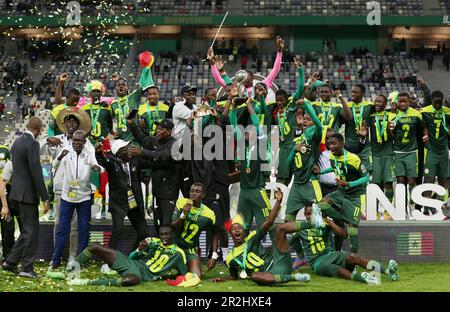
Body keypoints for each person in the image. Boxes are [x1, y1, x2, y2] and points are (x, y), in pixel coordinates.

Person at [211, 188, 312, 285]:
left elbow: (269, 222)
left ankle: (313, 223)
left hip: (280, 262)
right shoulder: (231, 258)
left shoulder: (252, 237)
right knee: (254, 276)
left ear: (243, 230)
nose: (237, 230)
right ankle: (296, 277)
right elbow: (233, 276)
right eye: (234, 229)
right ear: (230, 233)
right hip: (267, 275)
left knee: (279, 229)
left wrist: (278, 202)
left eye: (239, 228)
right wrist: (222, 279)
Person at [297, 203, 399, 284]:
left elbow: (344, 235)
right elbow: (292, 242)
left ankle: (388, 271)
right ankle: (363, 279)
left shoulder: (323, 224)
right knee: (338, 270)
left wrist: (330, 223)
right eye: (308, 214)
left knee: (354, 257)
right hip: (317, 263)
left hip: (331, 254)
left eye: (312, 213)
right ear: (305, 215)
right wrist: (301, 257)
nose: (310, 216)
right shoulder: (300, 227)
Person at [45, 108, 94, 266]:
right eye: (69, 121)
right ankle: (56, 255)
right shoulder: (56, 139)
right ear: (64, 124)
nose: (71, 123)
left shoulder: (86, 142)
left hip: (80, 191)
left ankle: (73, 256)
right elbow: (49, 155)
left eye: (74, 121)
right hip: (61, 188)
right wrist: (47, 140)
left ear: (79, 124)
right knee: (59, 224)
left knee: (75, 227)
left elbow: (92, 159)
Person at [2, 116, 49, 278]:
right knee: (32, 231)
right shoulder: (32, 143)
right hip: (28, 194)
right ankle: (27, 268)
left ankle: (10, 261)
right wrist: (45, 197)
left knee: (27, 230)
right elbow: (36, 172)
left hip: (16, 193)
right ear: (38, 129)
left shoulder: (16, 142)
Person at [67, 225, 188, 287]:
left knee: (131, 280)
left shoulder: (178, 253)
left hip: (139, 274)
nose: (163, 237)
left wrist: (168, 275)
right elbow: (131, 257)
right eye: (161, 234)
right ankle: (69, 273)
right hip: (131, 263)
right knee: (94, 246)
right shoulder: (153, 242)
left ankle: (85, 282)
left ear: (173, 235)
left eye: (166, 234)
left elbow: (183, 274)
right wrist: (138, 249)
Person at [49, 130, 103, 270]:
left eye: (79, 141)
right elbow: (54, 166)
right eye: (74, 140)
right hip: (67, 196)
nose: (76, 143)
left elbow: (100, 168)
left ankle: (80, 261)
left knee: (84, 229)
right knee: (62, 229)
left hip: (84, 197)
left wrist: (98, 168)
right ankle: (56, 260)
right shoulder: (66, 150)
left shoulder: (89, 153)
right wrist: (60, 157)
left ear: (84, 142)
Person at [314, 133, 369, 253]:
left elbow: (366, 178)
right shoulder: (332, 157)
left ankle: (353, 257)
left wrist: (349, 184)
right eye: (329, 144)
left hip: (356, 196)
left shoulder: (353, 159)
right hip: (341, 192)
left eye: (334, 143)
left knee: (352, 229)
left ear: (342, 144)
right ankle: (343, 218)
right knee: (321, 205)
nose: (331, 146)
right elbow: (335, 167)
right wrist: (322, 172)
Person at [95, 139, 151, 255]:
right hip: (118, 203)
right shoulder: (112, 163)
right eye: (126, 149)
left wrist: (146, 175)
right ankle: (107, 262)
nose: (129, 150)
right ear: (119, 153)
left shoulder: (135, 160)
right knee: (118, 230)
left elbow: (150, 164)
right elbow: (103, 161)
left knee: (144, 232)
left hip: (133, 201)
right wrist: (99, 153)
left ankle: (131, 257)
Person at [128, 118, 181, 233]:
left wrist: (143, 152)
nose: (157, 130)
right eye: (157, 128)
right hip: (157, 191)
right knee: (157, 223)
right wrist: (132, 124)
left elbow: (165, 156)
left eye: (161, 129)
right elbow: (142, 139)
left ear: (169, 131)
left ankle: (168, 248)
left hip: (169, 193)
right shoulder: (156, 141)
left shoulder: (174, 144)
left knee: (166, 224)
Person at [209, 36, 284, 98]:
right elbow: (219, 79)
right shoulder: (236, 88)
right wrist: (213, 64)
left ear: (252, 77)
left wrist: (280, 51)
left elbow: (276, 69)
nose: (244, 77)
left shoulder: (262, 86)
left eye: (246, 75)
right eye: (242, 76)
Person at [172, 183, 218, 278]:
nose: (193, 194)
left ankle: (184, 266)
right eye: (192, 191)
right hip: (175, 245)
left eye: (197, 191)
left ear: (203, 195)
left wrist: (214, 256)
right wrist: (183, 214)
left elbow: (214, 234)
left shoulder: (209, 214)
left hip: (190, 248)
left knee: (197, 276)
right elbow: (173, 227)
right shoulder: (181, 203)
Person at [393, 92, 423, 213]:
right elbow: (391, 134)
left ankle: (413, 204)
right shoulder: (393, 115)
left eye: (405, 101)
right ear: (397, 102)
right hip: (398, 151)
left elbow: (423, 128)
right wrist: (391, 130)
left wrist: (425, 135)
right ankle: (402, 207)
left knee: (411, 180)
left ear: (409, 101)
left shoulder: (416, 114)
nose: (403, 104)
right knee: (400, 181)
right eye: (401, 101)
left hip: (412, 151)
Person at [421, 90, 450, 214]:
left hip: (444, 150)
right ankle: (427, 206)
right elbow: (422, 125)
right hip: (431, 151)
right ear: (431, 100)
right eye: (435, 103)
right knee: (429, 178)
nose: (438, 105)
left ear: (443, 101)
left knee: (444, 179)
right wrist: (425, 134)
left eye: (440, 103)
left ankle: (438, 205)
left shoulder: (448, 112)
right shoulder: (425, 111)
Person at [367, 95, 397, 218]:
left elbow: (393, 136)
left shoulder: (391, 116)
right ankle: (374, 210)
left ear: (386, 104)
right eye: (376, 101)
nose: (377, 103)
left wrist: (391, 131)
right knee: (376, 184)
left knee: (388, 183)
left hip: (388, 153)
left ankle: (387, 210)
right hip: (375, 154)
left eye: (380, 101)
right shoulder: (370, 117)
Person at [344, 84, 374, 171]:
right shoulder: (347, 106)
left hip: (364, 145)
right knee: (351, 170)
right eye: (352, 92)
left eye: (355, 92)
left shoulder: (369, 105)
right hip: (350, 144)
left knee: (365, 170)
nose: (352, 94)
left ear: (362, 93)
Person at [0, 160, 21, 261]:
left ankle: (20, 255)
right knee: (8, 229)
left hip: (21, 199)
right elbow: (3, 183)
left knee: (25, 229)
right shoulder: (10, 164)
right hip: (6, 199)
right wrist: (4, 206)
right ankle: (7, 257)